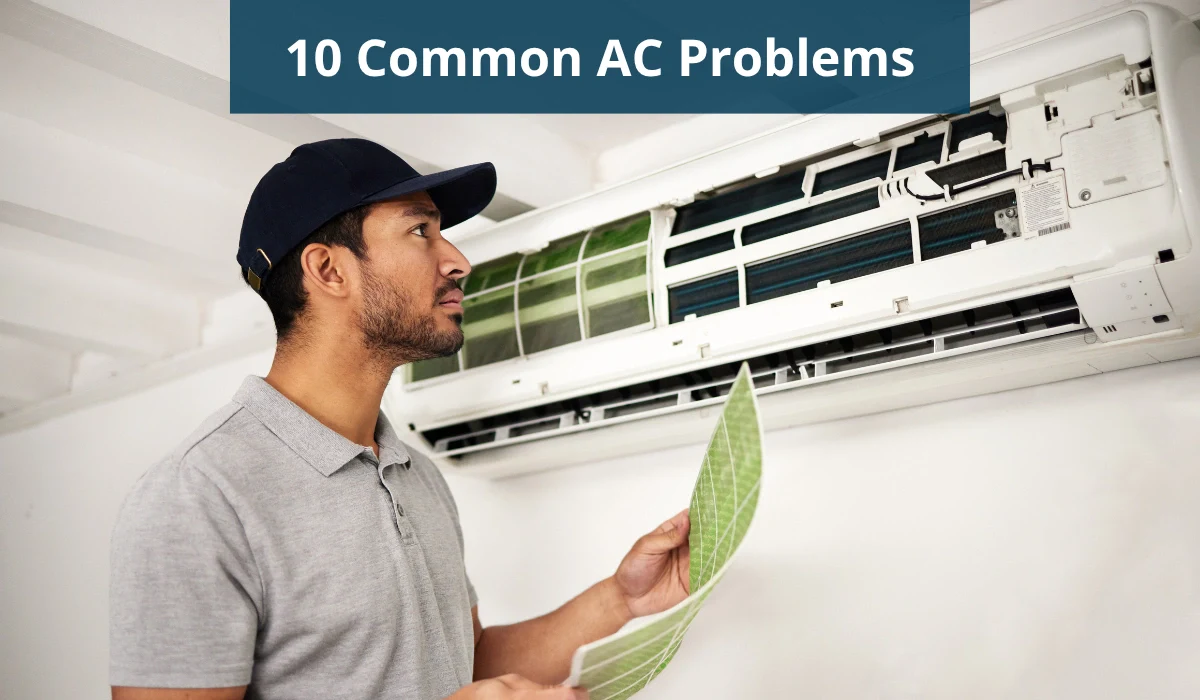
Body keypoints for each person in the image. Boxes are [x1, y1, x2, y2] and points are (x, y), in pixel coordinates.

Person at [108, 139, 691, 700]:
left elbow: (465, 662)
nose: (458, 260)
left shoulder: (415, 474)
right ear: (329, 271)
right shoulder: (199, 495)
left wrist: (619, 600)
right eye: (420, 231)